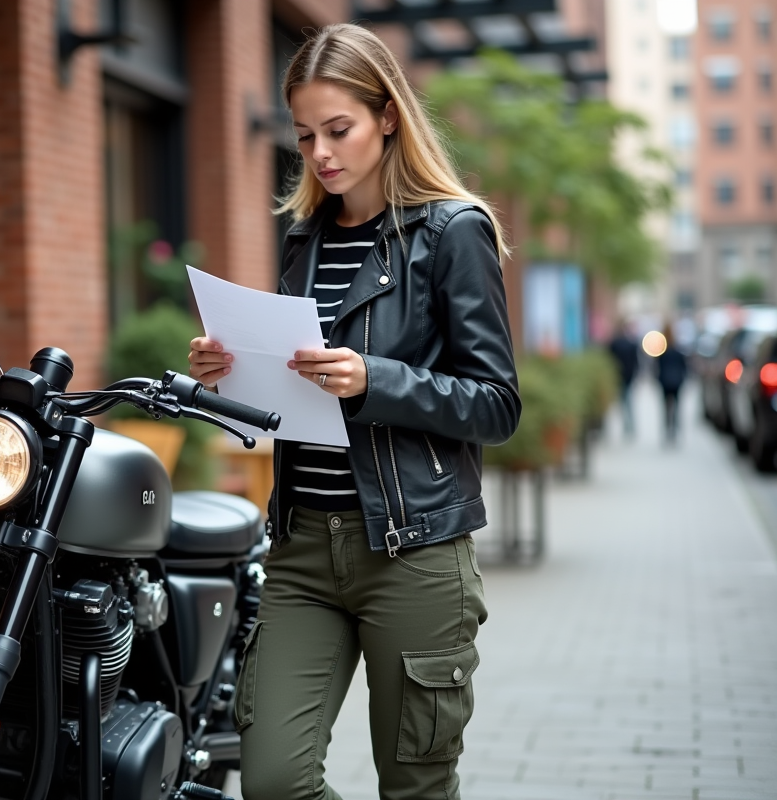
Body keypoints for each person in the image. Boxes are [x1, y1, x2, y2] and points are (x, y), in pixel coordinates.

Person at [188, 24, 520, 800]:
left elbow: (497, 404)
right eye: (305, 136)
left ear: (389, 116)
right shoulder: (304, 237)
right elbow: (297, 391)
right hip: (304, 547)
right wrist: (227, 375)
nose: (321, 154)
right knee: (271, 779)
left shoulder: (451, 231)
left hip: (414, 551)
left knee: (416, 783)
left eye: (338, 130)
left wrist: (376, 380)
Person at [656, 324, 687, 443]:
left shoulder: (662, 352)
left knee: (666, 408)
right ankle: (675, 429)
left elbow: (657, 368)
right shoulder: (678, 351)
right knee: (677, 407)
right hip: (677, 382)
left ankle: (667, 429)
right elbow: (684, 367)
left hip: (665, 382)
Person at [608, 321, 640, 437]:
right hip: (628, 377)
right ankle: (630, 426)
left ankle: (627, 426)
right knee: (628, 402)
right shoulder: (631, 344)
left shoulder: (614, 344)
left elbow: (609, 361)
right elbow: (636, 363)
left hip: (618, 376)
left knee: (623, 402)